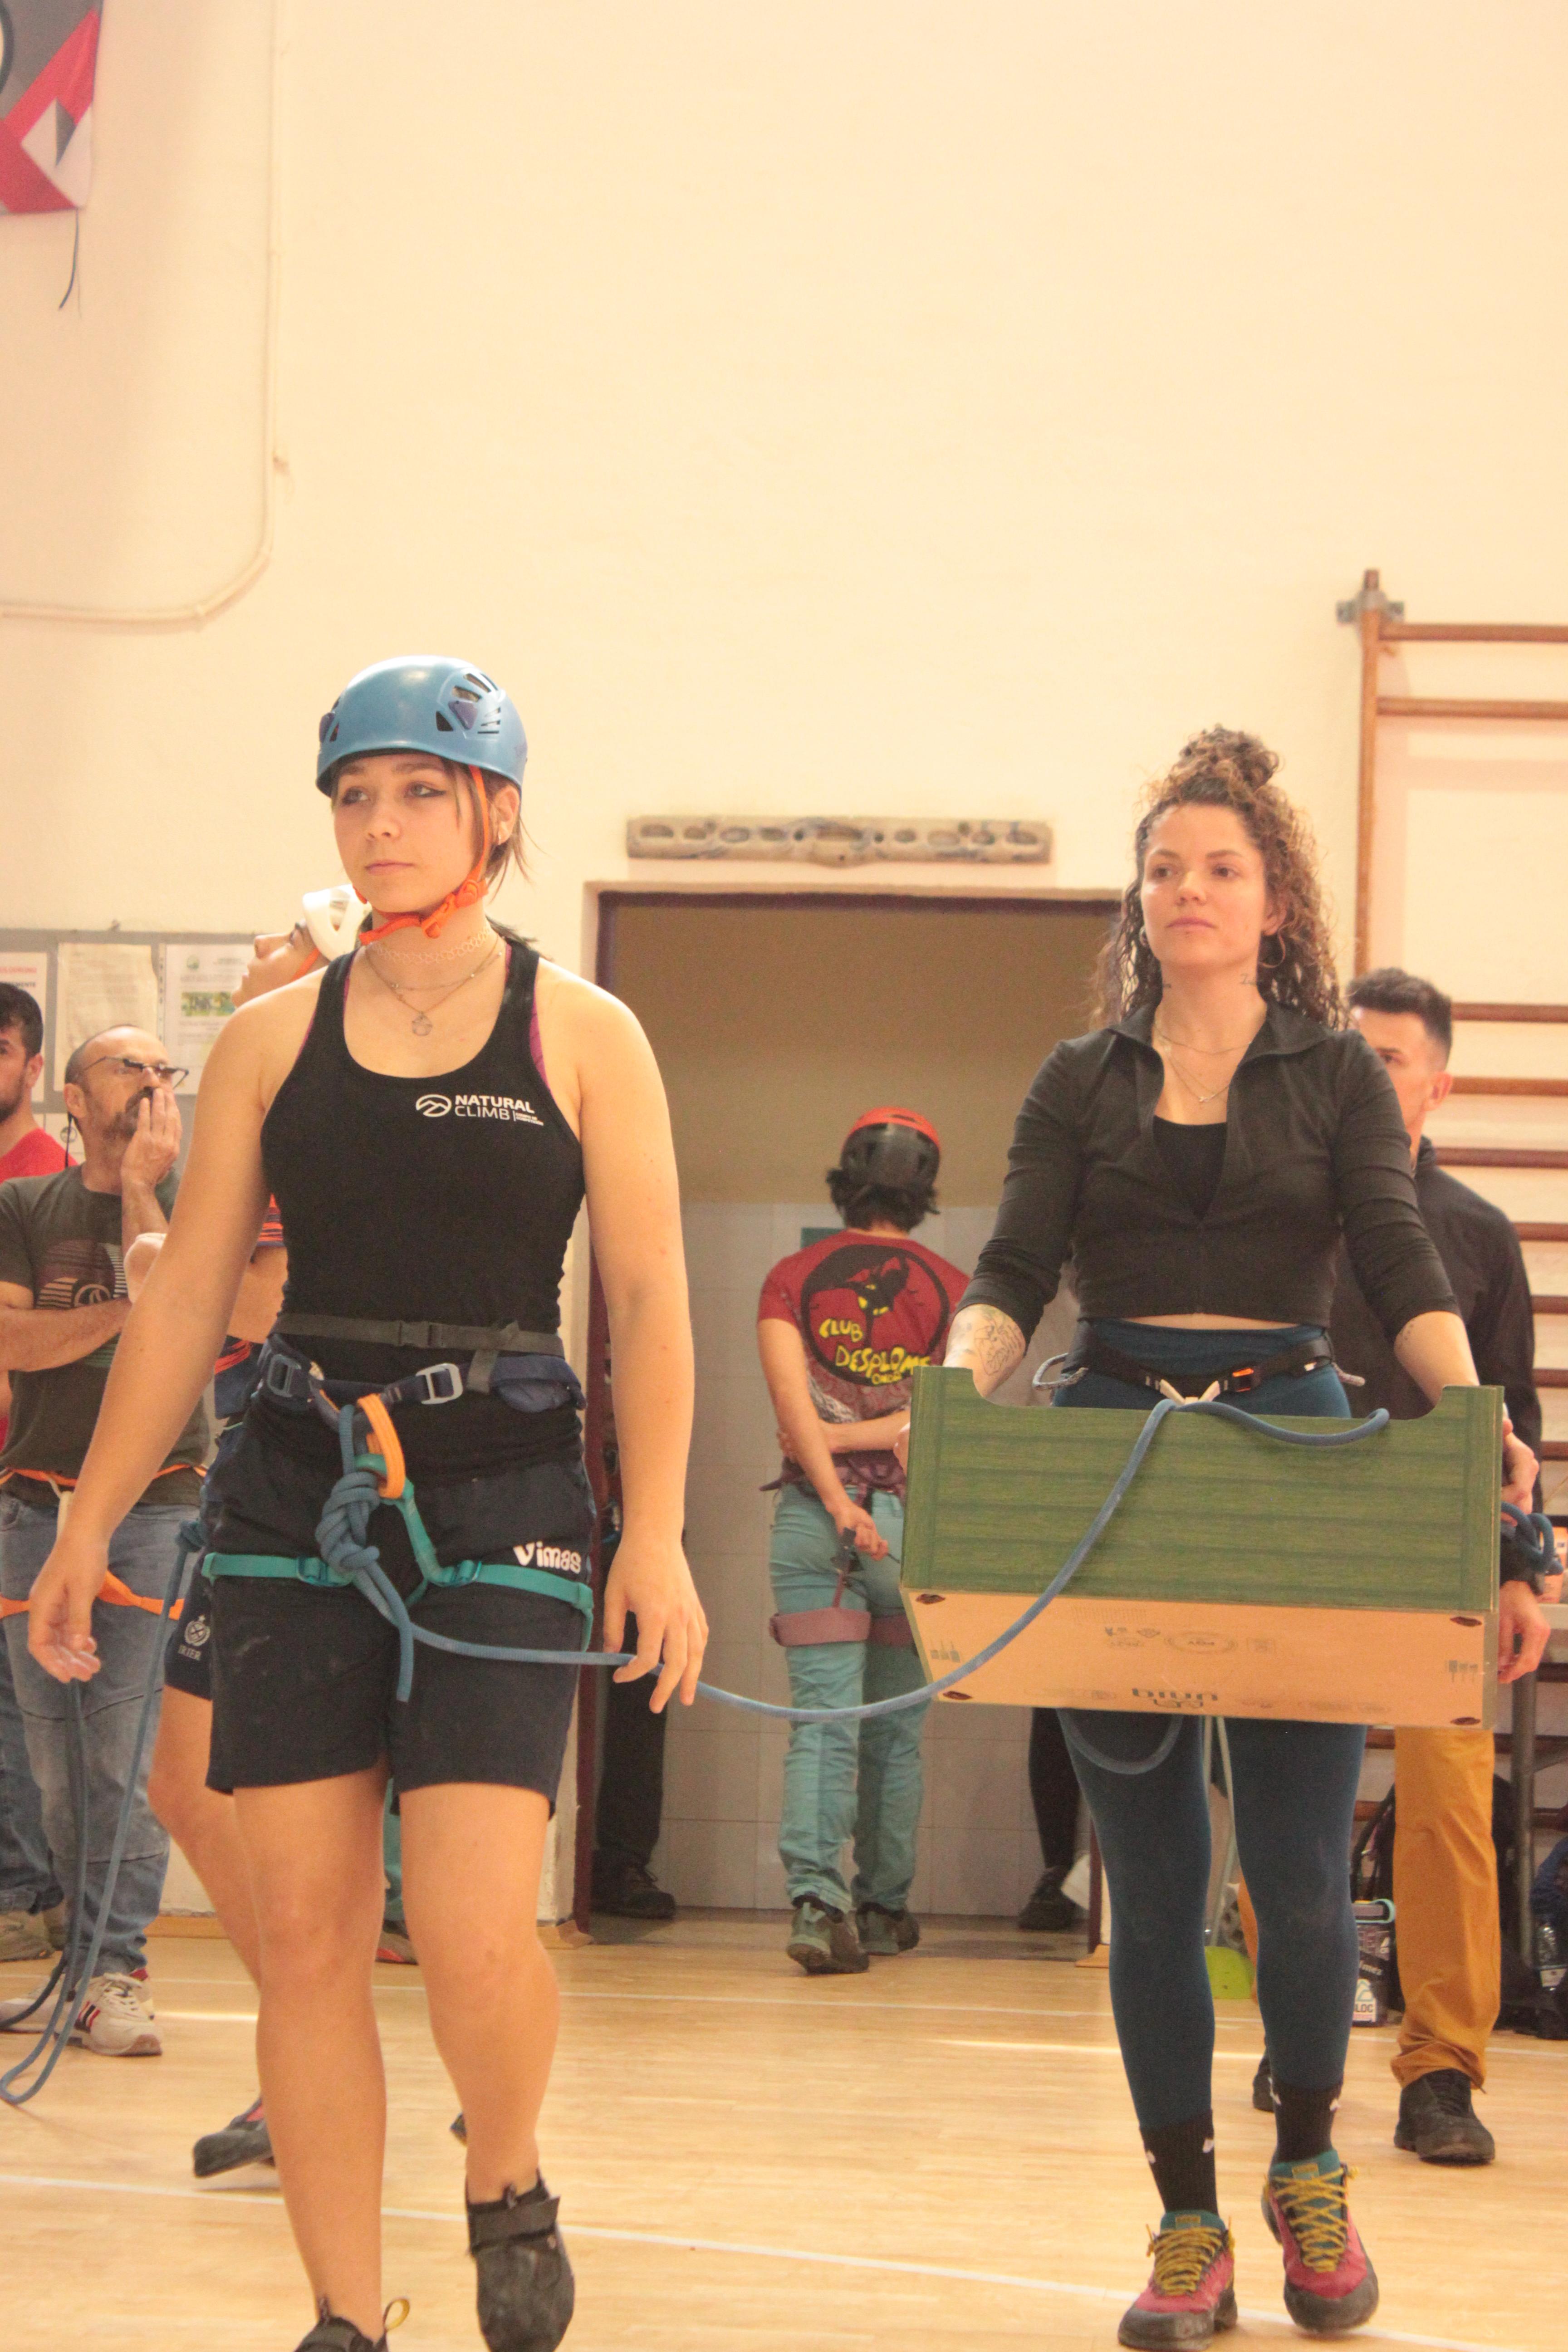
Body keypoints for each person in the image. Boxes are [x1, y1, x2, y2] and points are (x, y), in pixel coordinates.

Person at [22, 656, 706, 2352]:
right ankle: (344, 2314)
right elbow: (187, 1299)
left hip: (505, 1494)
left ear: (495, 811)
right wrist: (94, 1519)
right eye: (354, 794)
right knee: (309, 1934)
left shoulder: (585, 1034)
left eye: (417, 792)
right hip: (293, 1492)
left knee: (470, 1932)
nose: (380, 823)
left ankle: (507, 2168)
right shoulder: (271, 1040)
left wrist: (659, 1534)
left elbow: (648, 1296)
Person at [927, 729, 1539, 2350]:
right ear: (1138, 900)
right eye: (1163, 868)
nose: (1186, 888)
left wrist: (1476, 1419)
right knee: (1152, 1878)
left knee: (1298, 1874)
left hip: (1297, 1464)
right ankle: (1186, 2218)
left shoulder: (1337, 1073)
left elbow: (1399, 1261)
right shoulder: (1078, 1078)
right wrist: (953, 1389)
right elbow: (1012, 1269)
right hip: (1110, 1462)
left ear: (1275, 903)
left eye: (1220, 867)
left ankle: (1309, 2168)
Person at [1324, 967, 1544, 2165]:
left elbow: (1513, 1421)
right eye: (1353, 1056)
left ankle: (1443, 2073)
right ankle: (1299, 2033)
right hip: (1302, 1543)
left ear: (1437, 1084)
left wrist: (1520, 1572)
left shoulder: (1476, 1232)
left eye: (1392, 1059)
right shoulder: (1289, 1217)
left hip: (1438, 1550)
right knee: (1291, 1804)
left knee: (1452, 1812)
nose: (1367, 1076)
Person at [0, 1027, 206, 2057]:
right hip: (36, 1508)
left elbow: (189, 1319)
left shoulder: (197, 1204)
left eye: (166, 1068)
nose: (153, 1081)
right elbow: (14, 1340)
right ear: (74, 1099)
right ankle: (81, 1962)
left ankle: (115, 1968)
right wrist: (137, 1310)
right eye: (129, 1067)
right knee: (55, 1763)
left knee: (125, 1759)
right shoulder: (21, 1206)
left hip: (156, 1514)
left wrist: (141, 1193)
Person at [757, 1107, 968, 1975]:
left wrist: (836, 1486)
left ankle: (817, 1906)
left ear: (845, 1181)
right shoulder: (958, 1292)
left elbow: (791, 1416)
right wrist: (874, 1448)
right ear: (925, 1193)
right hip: (915, 1532)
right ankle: (883, 1909)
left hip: (815, 1522)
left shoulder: (791, 1278)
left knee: (823, 1721)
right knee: (894, 1732)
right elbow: (939, 1425)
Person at [0, 981, 71, 1964]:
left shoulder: (51, 1186)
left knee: (21, 1699)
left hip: (30, 1478)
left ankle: (26, 1892)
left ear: (35, 1066)